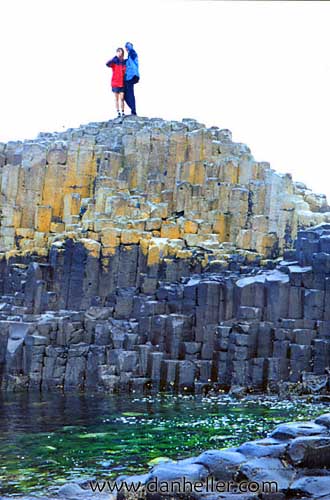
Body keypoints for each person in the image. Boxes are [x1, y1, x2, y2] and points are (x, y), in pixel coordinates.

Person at [106, 48, 126, 118]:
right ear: (117, 52)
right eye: (119, 52)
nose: (120, 53)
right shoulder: (114, 61)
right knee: (116, 98)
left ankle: (123, 112)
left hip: (122, 83)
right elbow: (107, 64)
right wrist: (115, 57)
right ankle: (118, 112)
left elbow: (125, 71)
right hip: (115, 82)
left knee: (122, 98)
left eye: (121, 52)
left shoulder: (124, 61)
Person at [124, 42, 139, 115]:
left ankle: (133, 110)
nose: (126, 49)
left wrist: (128, 45)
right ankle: (133, 109)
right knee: (125, 94)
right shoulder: (129, 58)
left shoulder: (133, 53)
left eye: (126, 47)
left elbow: (131, 49)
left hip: (132, 76)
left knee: (130, 93)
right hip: (128, 78)